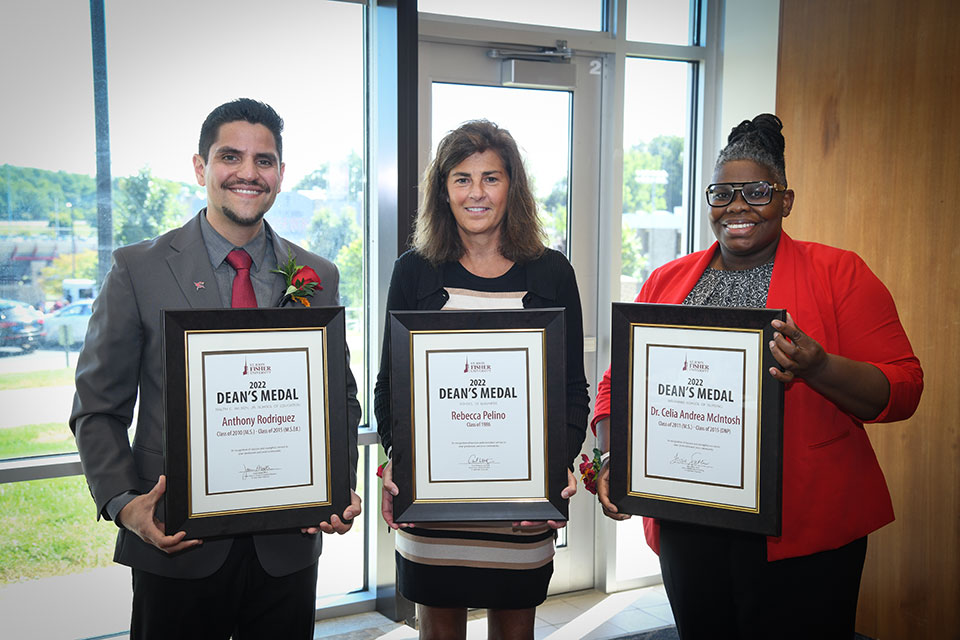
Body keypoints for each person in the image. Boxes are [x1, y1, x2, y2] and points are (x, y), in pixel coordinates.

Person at [592, 114, 923, 640]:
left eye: (757, 191)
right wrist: (614, 457)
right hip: (690, 521)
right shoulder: (667, 279)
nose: (737, 207)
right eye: (722, 193)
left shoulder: (839, 273)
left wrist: (819, 367)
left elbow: (902, 389)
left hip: (803, 525)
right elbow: (617, 386)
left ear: (785, 201)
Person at [70, 98, 362, 640]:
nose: (249, 173)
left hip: (288, 547)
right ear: (201, 167)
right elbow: (97, 408)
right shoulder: (138, 269)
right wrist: (124, 504)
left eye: (265, 160)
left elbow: (338, 398)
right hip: (175, 541)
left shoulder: (317, 274)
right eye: (231, 157)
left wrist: (336, 486)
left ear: (280, 173)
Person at [374, 120, 590, 640]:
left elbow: (570, 391)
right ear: (443, 191)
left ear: (512, 186)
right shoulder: (415, 271)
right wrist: (398, 463)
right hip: (434, 508)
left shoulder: (552, 272)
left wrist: (551, 472)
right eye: (462, 179)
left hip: (523, 511)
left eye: (491, 178)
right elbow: (390, 387)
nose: (477, 193)